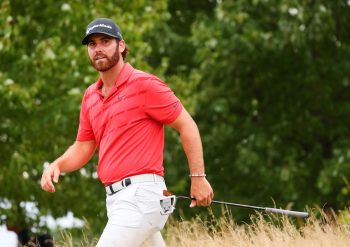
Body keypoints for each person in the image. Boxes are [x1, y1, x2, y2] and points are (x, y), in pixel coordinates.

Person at [40, 17, 213, 246]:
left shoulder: (145, 84)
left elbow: (187, 125)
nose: (98, 49)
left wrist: (198, 178)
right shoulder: (91, 95)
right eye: (92, 44)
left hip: (141, 197)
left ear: (121, 46)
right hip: (116, 200)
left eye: (105, 41)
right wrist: (58, 164)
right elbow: (84, 146)